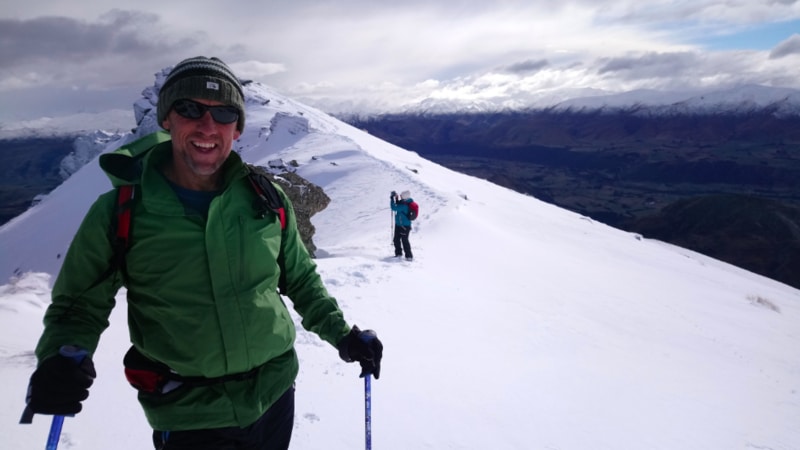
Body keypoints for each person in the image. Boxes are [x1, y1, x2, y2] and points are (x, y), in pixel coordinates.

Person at [22, 56, 383, 450]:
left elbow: (299, 277)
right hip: (189, 413)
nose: (208, 126)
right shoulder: (121, 211)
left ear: (238, 128)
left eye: (224, 113)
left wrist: (342, 335)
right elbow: (79, 306)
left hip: (275, 395)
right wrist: (61, 357)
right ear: (166, 119)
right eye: (190, 109)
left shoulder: (264, 198)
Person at [390, 190, 414, 260]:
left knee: (404, 240)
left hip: (404, 226)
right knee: (396, 239)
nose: (400, 196)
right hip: (399, 225)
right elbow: (398, 204)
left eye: (401, 195)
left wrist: (391, 199)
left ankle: (409, 256)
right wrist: (396, 198)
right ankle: (398, 254)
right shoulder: (404, 202)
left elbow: (394, 207)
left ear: (404, 196)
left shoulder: (404, 205)